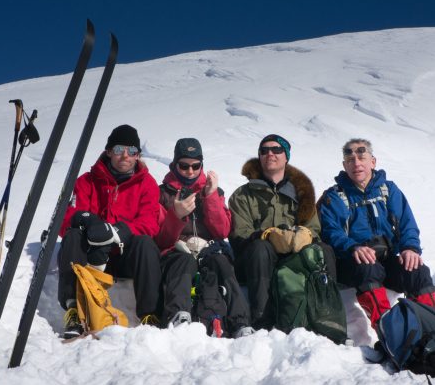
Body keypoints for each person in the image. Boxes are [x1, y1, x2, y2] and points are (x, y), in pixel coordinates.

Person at [317, 138, 435, 327]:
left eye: (361, 157)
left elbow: (407, 224)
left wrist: (410, 248)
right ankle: (389, 333)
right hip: (353, 263)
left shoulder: (388, 190)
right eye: (350, 160)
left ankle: (433, 329)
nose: (356, 163)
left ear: (373, 162)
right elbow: (330, 232)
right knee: (368, 268)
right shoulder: (334, 196)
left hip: (387, 259)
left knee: (418, 271)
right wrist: (353, 247)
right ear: (344, 165)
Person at [57, 124, 162, 337]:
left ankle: (149, 316)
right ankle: (74, 310)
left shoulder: (147, 184)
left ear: (138, 155)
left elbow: (149, 223)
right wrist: (88, 222)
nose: (125, 155)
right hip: (91, 258)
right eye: (119, 149)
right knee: (72, 236)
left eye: (132, 151)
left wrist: (118, 232)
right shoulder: (86, 181)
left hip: (124, 257)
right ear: (108, 151)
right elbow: (64, 221)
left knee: (145, 243)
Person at [228, 134, 334, 328]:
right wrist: (267, 235)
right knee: (261, 248)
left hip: (294, 257)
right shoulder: (243, 195)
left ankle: (328, 315)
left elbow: (314, 228)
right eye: (264, 150)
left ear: (286, 156)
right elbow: (239, 234)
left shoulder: (302, 191)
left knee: (323, 250)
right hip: (254, 261)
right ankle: (262, 319)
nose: (270, 154)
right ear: (259, 157)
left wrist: (305, 235)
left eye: (277, 150)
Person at [154, 138, 253, 337]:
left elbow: (222, 231)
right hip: (176, 251)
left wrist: (211, 196)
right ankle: (178, 315)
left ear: (202, 165)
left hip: (208, 249)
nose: (190, 171)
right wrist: (177, 215)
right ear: (175, 165)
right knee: (183, 262)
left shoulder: (213, 191)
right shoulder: (162, 193)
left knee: (221, 263)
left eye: (195, 166)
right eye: (184, 166)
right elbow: (160, 238)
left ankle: (240, 323)